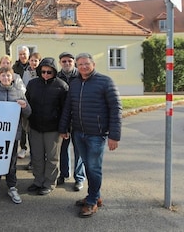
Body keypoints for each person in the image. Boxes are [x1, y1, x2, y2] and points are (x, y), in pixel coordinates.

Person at [59, 53, 122, 218]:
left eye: (86, 64)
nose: (83, 67)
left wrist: (114, 136)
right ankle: (95, 195)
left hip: (97, 134)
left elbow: (116, 109)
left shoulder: (105, 82)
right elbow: (68, 107)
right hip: (78, 132)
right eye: (80, 65)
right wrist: (63, 128)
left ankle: (92, 201)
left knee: (94, 168)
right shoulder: (74, 83)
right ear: (77, 67)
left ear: (93, 64)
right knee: (88, 167)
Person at [0, 67, 31, 204]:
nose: (6, 78)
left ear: (13, 78)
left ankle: (12, 186)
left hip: (13, 135)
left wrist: (24, 106)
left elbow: (28, 113)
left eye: (8, 76)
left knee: (11, 162)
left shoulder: (19, 92)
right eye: (3, 76)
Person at [25, 57, 68, 196]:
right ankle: (38, 181)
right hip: (35, 127)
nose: (45, 74)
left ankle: (49, 183)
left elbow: (65, 110)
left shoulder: (62, 86)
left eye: (49, 72)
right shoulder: (32, 84)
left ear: (54, 72)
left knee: (52, 157)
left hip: (53, 129)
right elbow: (27, 104)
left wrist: (64, 128)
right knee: (36, 156)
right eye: (43, 71)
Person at [56, 52, 86, 191]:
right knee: (63, 149)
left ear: (73, 62)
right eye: (64, 61)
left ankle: (79, 178)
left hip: (79, 120)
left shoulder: (80, 76)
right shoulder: (57, 77)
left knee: (79, 150)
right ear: (60, 63)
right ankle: (64, 174)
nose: (67, 63)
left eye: (69, 61)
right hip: (63, 119)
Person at [18, 52, 41, 159]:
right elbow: (23, 86)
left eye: (36, 60)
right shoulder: (26, 72)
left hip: (39, 105)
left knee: (36, 134)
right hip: (27, 103)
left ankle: (35, 156)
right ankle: (25, 149)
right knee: (26, 129)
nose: (33, 62)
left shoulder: (42, 72)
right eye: (31, 60)